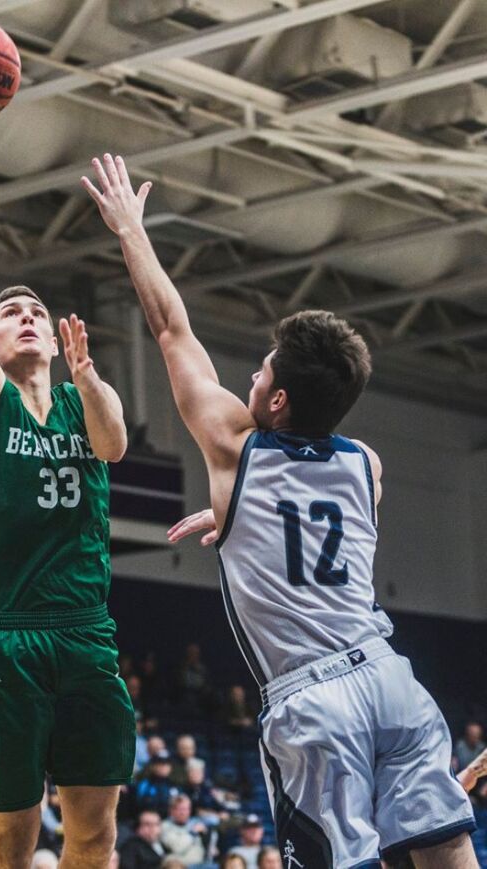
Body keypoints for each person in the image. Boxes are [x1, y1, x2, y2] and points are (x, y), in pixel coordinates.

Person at [84, 153, 478, 869]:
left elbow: (173, 330)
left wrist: (131, 230)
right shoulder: (366, 465)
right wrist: (234, 521)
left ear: (276, 402)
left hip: (313, 698)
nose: (253, 374)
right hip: (392, 680)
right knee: (446, 849)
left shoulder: (236, 449)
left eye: (262, 369)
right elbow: (315, 520)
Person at [0, 80, 133, 869]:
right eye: (15, 313)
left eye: (35, 307)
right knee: (11, 838)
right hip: (3, 635)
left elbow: (112, 447)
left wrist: (90, 376)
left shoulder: (83, 400)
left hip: (85, 631)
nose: (26, 314)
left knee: (97, 833)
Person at [159, 795, 205, 865]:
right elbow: (177, 848)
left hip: (200, 864)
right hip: (179, 865)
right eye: (180, 809)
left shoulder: (193, 823)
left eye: (186, 809)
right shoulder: (164, 826)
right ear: (172, 811)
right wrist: (193, 833)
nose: (183, 813)